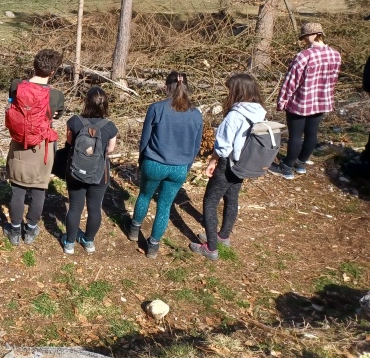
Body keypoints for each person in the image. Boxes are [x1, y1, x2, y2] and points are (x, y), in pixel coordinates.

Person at [190, 73, 266, 260]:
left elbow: (223, 146)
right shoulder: (259, 111)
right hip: (244, 163)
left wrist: (213, 161)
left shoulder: (235, 115)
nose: (227, 93)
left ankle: (210, 248)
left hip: (228, 163)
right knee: (232, 198)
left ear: (237, 91)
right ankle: (223, 236)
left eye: (229, 89)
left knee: (210, 202)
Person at [128, 71, 203, 258]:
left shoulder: (156, 108)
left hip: (154, 163)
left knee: (144, 195)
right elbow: (196, 146)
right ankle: (153, 246)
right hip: (179, 167)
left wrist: (141, 161)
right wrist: (187, 166)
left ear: (166, 87)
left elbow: (145, 140)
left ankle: (133, 230)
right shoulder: (196, 114)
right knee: (165, 205)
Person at [3, 49, 64, 246]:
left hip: (19, 143)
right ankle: (30, 230)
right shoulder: (56, 95)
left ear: (34, 65)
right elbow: (56, 115)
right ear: (53, 71)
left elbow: (12, 103)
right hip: (42, 147)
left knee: (17, 189)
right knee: (39, 190)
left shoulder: (16, 85)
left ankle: (14, 230)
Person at [273, 22, 341, 179]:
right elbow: (333, 79)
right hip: (322, 100)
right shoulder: (335, 54)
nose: (304, 41)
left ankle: (287, 167)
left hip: (301, 102)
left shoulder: (304, 56)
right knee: (312, 133)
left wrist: (282, 101)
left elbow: (291, 82)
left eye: (304, 37)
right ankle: (301, 163)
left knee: (296, 135)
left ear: (312, 35)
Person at [62, 87, 118, 255]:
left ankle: (70, 243)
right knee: (94, 208)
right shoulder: (110, 127)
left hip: (76, 171)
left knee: (75, 207)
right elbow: (111, 149)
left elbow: (70, 142)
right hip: (99, 173)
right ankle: (88, 242)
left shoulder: (74, 121)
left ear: (86, 102)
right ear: (105, 105)